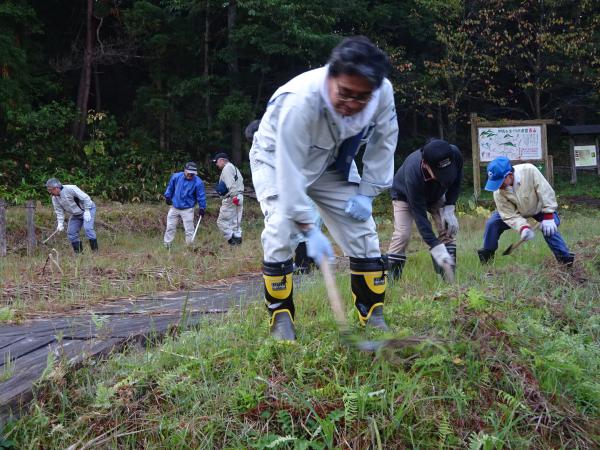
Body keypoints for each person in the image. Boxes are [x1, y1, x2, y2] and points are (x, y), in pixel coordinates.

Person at [250, 36, 399, 340]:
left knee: (363, 231)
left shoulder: (382, 92)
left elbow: (385, 141)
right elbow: (289, 169)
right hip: (278, 159)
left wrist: (367, 193)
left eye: (362, 97)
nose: (352, 103)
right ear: (331, 76)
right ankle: (281, 320)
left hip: (332, 160)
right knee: (281, 228)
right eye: (345, 93)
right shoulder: (299, 101)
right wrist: (307, 227)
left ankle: (372, 316)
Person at [387, 139, 463, 281]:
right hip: (405, 195)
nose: (445, 177)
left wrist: (449, 207)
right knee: (402, 235)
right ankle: (392, 279)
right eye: (441, 174)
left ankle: (448, 279)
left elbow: (456, 182)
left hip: (435, 194)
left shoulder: (454, 154)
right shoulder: (413, 173)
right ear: (426, 165)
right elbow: (420, 217)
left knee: (447, 229)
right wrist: (435, 246)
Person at [477, 156, 575, 266]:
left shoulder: (529, 171)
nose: (498, 186)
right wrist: (523, 227)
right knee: (492, 224)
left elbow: (546, 192)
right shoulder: (498, 191)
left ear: (509, 175)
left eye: (500, 182)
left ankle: (566, 261)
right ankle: (487, 262)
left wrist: (548, 216)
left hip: (538, 208)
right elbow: (508, 214)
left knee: (549, 229)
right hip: (517, 212)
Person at [46, 178, 98, 254]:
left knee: (88, 229)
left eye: (51, 190)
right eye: (49, 190)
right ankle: (79, 255)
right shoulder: (55, 198)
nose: (50, 192)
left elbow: (86, 198)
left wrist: (87, 210)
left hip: (88, 209)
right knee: (71, 232)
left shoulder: (71, 188)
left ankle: (95, 252)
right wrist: (60, 223)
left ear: (56, 188)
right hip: (76, 214)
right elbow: (59, 212)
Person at [163, 162, 207, 248]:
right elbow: (170, 187)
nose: (190, 175)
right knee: (170, 228)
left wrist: (202, 207)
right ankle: (167, 246)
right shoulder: (176, 177)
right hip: (174, 207)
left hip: (188, 209)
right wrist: (167, 196)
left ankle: (189, 247)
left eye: (192, 173)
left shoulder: (198, 182)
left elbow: (201, 196)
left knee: (189, 230)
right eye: (189, 172)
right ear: (185, 170)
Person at [213, 152, 244, 245]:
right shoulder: (234, 168)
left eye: (217, 162)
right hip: (240, 195)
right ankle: (238, 241)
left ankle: (232, 240)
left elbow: (230, 183)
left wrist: (234, 196)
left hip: (232, 197)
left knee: (221, 222)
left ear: (222, 160)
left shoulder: (226, 168)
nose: (216, 164)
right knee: (236, 222)